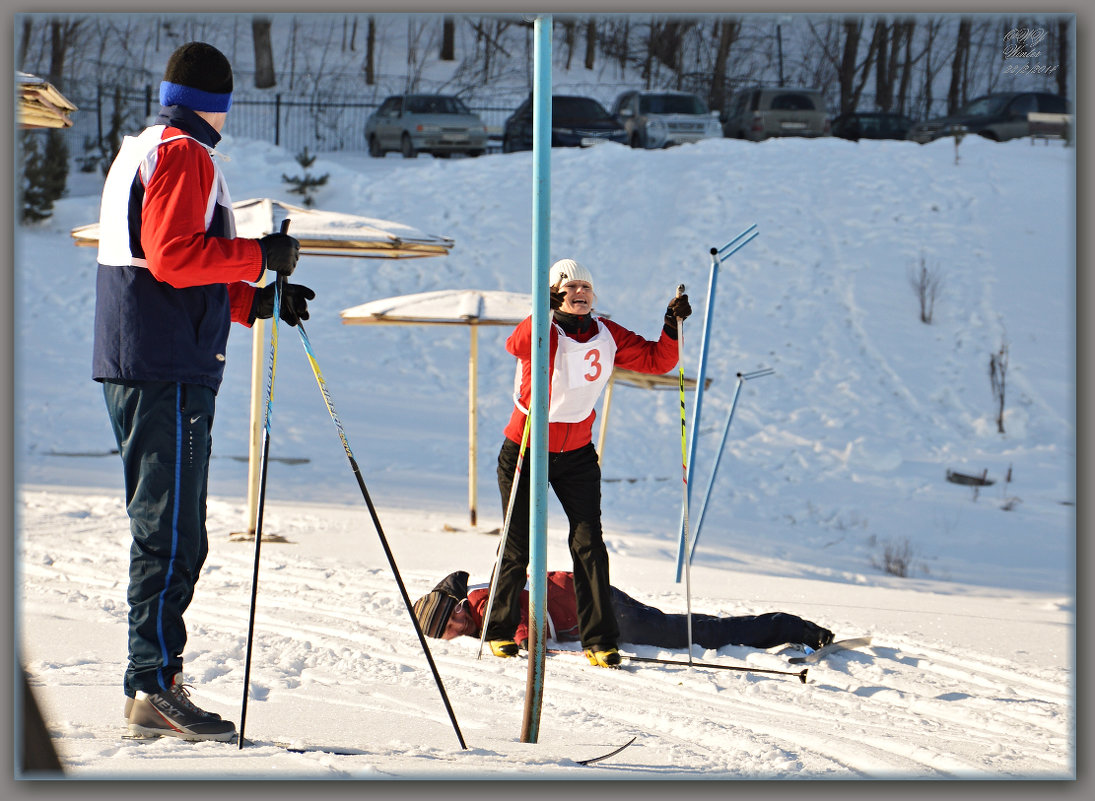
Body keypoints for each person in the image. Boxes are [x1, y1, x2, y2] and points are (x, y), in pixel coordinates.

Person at [92, 41, 314, 742]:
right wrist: (258, 254)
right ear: (220, 105)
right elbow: (174, 255)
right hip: (165, 368)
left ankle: (154, 678)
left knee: (171, 529)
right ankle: (152, 683)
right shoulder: (185, 153)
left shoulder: (149, 146)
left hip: (150, 358)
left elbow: (162, 260)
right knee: (172, 534)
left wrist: (254, 301)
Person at [482, 258, 691, 668]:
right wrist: (542, 310)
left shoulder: (606, 333)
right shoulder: (546, 331)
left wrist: (672, 325)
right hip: (527, 446)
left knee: (589, 544)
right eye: (569, 287)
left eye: (585, 288)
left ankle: (600, 639)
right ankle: (499, 628)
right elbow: (517, 345)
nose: (579, 293)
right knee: (519, 541)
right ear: (556, 293)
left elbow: (658, 361)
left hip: (577, 452)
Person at [415, 571, 834, 652]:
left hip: (595, 605)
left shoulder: (479, 601)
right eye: (446, 631)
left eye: (449, 617)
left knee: (686, 634)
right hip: (589, 613)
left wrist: (523, 640)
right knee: (684, 630)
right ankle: (777, 629)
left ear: (453, 605)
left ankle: (789, 627)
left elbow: (517, 617)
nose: (454, 626)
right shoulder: (477, 623)